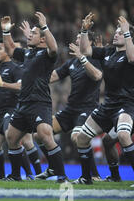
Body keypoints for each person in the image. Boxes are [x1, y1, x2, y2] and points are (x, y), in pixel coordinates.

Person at [19, 16, 103, 181]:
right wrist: (32, 77)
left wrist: (82, 57)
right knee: (39, 135)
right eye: (78, 37)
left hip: (87, 109)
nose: (78, 40)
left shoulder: (95, 60)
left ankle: (94, 175)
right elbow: (52, 76)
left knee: (77, 137)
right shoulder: (71, 63)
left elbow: (97, 76)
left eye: (81, 38)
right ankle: (52, 167)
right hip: (70, 109)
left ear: (90, 43)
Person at [76, 14, 134, 187]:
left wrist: (127, 32)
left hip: (125, 104)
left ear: (128, 37)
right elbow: (85, 51)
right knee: (82, 138)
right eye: (116, 32)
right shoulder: (107, 51)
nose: (116, 34)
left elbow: (133, 58)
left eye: (120, 32)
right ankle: (86, 178)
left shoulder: (132, 55)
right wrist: (84, 30)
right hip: (108, 105)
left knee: (122, 135)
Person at [2, 13, 67, 182]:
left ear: (43, 39)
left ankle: (61, 176)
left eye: (34, 33)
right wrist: (6, 31)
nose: (29, 35)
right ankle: (16, 175)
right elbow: (9, 49)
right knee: (11, 137)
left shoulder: (47, 55)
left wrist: (44, 26)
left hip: (40, 102)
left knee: (45, 135)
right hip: (23, 103)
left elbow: (54, 49)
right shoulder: (27, 54)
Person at [0, 27, 41, 179]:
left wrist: (1, 84)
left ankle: (32, 174)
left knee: (17, 138)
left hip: (14, 110)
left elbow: (21, 87)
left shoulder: (17, 68)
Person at [101, 22, 134, 183]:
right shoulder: (121, 57)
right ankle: (115, 176)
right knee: (108, 140)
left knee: (123, 135)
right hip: (125, 108)